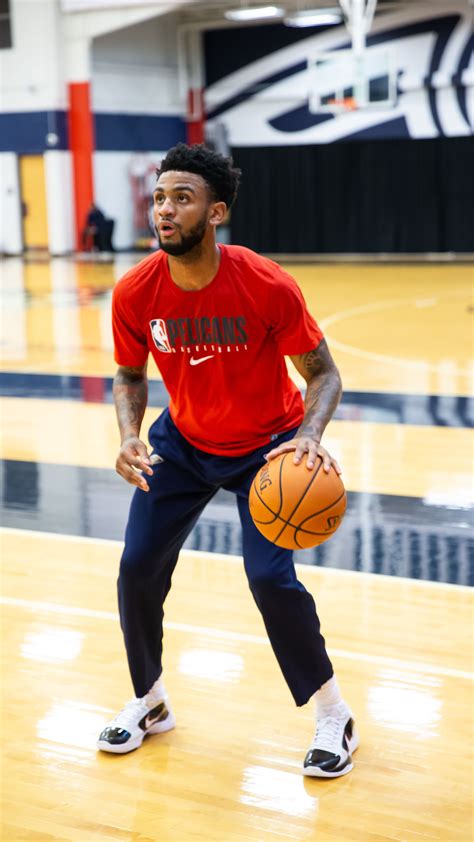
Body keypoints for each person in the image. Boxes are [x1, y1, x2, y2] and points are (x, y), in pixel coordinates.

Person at [97, 143, 358, 778]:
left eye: (181, 198)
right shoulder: (136, 292)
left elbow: (323, 374)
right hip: (182, 443)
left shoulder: (264, 283)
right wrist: (130, 433)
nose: (165, 209)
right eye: (160, 197)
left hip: (265, 449)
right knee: (136, 567)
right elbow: (129, 375)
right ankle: (151, 702)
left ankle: (334, 713)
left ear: (215, 213)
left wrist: (309, 436)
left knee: (270, 580)